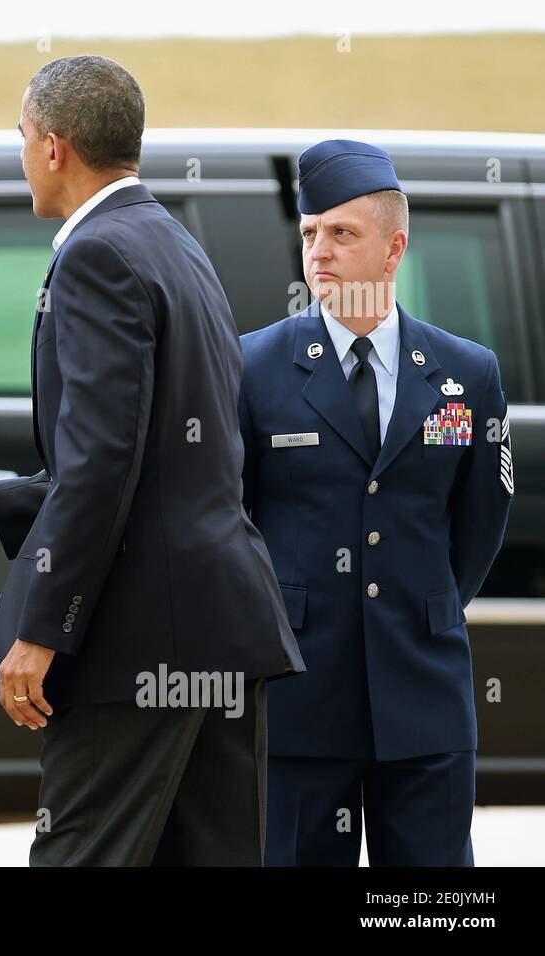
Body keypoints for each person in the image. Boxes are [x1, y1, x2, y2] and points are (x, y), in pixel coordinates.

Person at [0, 55, 303, 866]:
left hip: (136, 644)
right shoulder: (173, 243)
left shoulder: (94, 257)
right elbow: (157, 455)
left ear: (54, 147)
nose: (20, 155)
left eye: (21, 137)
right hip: (219, 630)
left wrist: (46, 629)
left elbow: (99, 464)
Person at [238, 139, 512, 866]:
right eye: (308, 232)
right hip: (297, 696)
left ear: (394, 249)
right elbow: (231, 523)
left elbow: (479, 523)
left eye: (341, 233)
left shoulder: (465, 374)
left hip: (422, 695)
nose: (318, 250)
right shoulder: (253, 367)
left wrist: (427, 608)